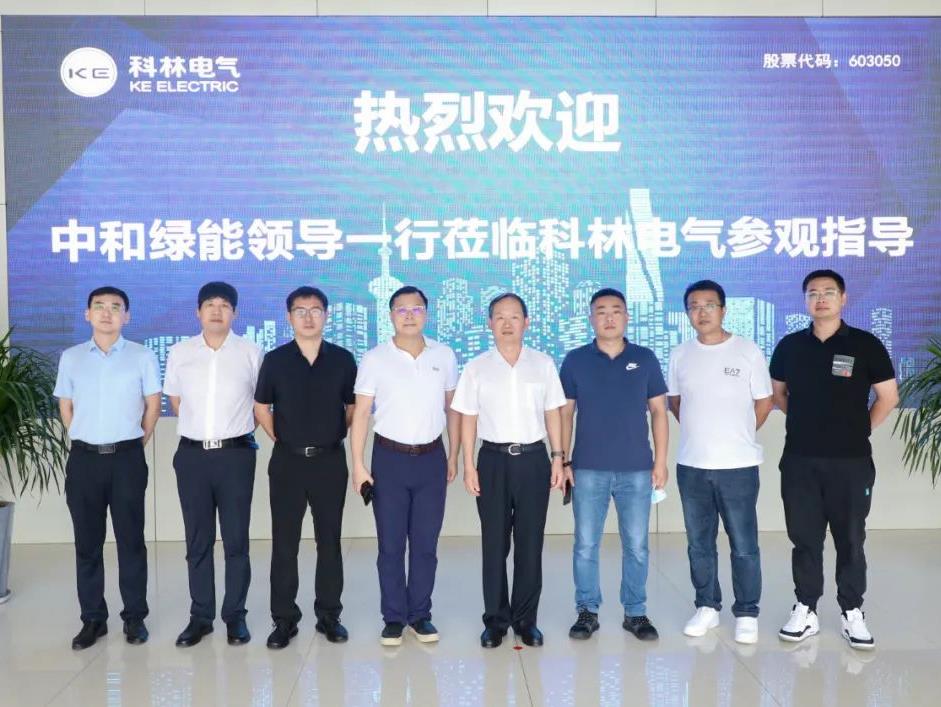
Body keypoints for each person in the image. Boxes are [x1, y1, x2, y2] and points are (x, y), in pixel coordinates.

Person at [771, 269, 898, 650]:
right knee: (804, 538)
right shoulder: (790, 346)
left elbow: (888, 397)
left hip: (851, 462)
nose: (820, 298)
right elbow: (779, 395)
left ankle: (852, 611)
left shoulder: (865, 344)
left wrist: (859, 430)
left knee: (851, 538)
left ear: (843, 298)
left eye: (828, 292)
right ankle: (806, 608)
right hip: (800, 460)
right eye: (813, 293)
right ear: (805, 301)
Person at [451, 293, 567, 649]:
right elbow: (468, 418)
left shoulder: (543, 364)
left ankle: (526, 621)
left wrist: (558, 457)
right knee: (494, 543)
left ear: (526, 323)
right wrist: (469, 465)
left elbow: (553, 412)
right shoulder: (476, 367)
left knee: (530, 544)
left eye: (514, 316)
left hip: (533, 459)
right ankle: (496, 621)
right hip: (492, 461)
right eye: (499, 316)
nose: (507, 323)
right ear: (489, 324)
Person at [350, 285, 460, 647]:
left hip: (431, 459)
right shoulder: (375, 359)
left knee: (426, 544)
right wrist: (358, 465)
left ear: (426, 313)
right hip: (389, 461)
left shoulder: (444, 355)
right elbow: (361, 414)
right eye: (402, 309)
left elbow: (452, 410)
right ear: (391, 315)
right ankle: (394, 617)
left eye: (416, 309)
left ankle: (420, 615)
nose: (409, 315)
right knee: (391, 545)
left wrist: (454, 454)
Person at [667, 280, 773, 645]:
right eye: (694, 306)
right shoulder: (680, 354)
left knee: (743, 543)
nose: (702, 312)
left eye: (709, 305)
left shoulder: (747, 350)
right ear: (688, 313)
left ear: (723, 310)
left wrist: (738, 432)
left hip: (738, 465)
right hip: (692, 465)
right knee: (699, 542)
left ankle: (747, 611)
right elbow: (676, 403)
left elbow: (764, 402)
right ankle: (707, 606)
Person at [55, 286, 161, 650]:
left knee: (131, 541)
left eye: (115, 307)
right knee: (87, 543)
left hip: (126, 458)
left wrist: (135, 443)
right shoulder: (71, 358)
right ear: (87, 314)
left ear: (126, 316)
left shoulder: (142, 356)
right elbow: (66, 406)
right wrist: (86, 438)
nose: (106, 313)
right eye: (99, 306)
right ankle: (93, 619)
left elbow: (152, 406)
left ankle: (134, 618)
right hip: (84, 460)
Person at [559, 287, 668, 642]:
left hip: (636, 468)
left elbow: (658, 411)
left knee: (636, 544)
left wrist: (660, 461)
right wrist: (563, 459)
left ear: (626, 316)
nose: (609, 317)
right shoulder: (575, 360)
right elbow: (565, 413)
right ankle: (587, 611)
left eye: (616, 310)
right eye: (601, 311)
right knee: (585, 544)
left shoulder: (645, 358)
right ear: (591, 318)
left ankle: (635, 612)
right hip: (588, 468)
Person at [254, 286, 357, 649]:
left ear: (326, 315)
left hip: (330, 461)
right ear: (289, 317)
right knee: (285, 543)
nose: (308, 317)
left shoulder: (343, 360)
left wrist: (333, 434)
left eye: (315, 310)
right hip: (288, 462)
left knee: (329, 541)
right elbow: (261, 407)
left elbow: (352, 407)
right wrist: (282, 437)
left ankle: (329, 616)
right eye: (301, 311)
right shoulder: (276, 360)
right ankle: (284, 620)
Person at [164, 281, 262, 647]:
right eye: (210, 304)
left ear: (234, 312)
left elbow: (259, 403)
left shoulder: (251, 352)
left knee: (236, 540)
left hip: (236, 455)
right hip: (192, 457)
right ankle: (201, 617)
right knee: (198, 539)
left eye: (224, 305)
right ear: (198, 312)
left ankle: (235, 616)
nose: (217, 311)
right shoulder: (180, 352)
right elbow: (176, 402)